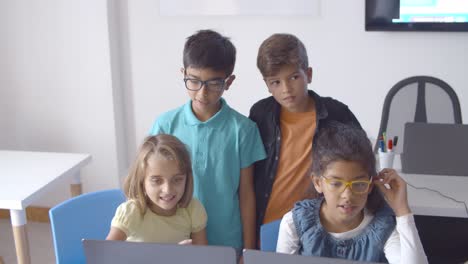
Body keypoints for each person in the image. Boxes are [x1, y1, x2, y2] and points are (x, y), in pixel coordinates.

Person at [149, 30, 266, 255]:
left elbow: (246, 194)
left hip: (227, 242)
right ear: (183, 73)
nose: (202, 93)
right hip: (175, 240)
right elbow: (150, 185)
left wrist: (249, 252)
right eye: (193, 81)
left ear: (229, 81)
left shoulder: (243, 130)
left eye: (213, 83)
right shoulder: (165, 125)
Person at [249, 33, 362, 234]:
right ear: (267, 84)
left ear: (308, 74)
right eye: (275, 82)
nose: (286, 89)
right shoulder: (260, 115)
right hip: (268, 225)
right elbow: (249, 178)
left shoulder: (337, 114)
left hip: (318, 228)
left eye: (294, 77)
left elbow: (361, 168)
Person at [276, 122, 428, 263]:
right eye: (336, 184)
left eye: (359, 184)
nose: (347, 196)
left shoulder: (382, 225)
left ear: (370, 185)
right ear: (318, 183)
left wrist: (402, 211)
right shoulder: (295, 222)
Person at [106, 134, 208, 245]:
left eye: (177, 179)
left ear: (187, 179)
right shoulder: (132, 212)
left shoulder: (193, 209)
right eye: (157, 181)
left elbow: (203, 258)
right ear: (141, 181)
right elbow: (104, 258)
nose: (168, 190)